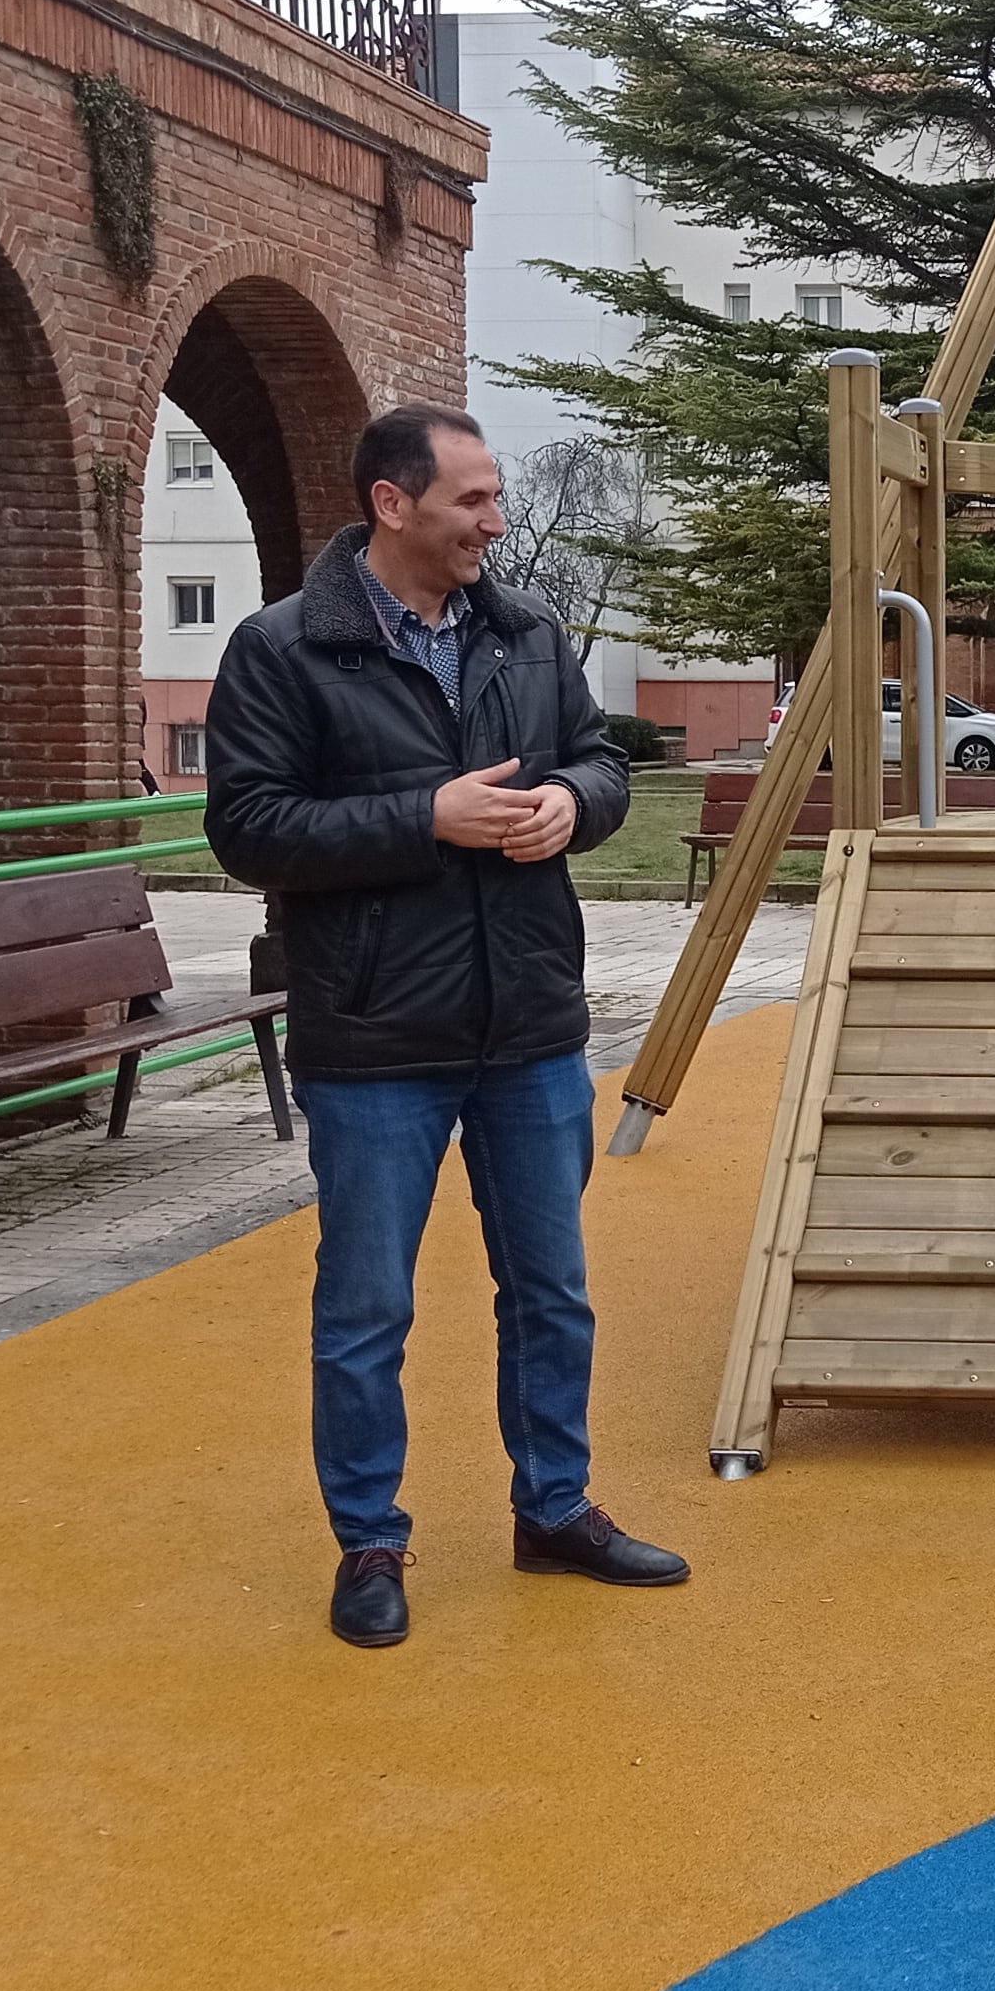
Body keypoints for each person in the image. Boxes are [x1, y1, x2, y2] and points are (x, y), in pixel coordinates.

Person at [204, 402, 685, 1648]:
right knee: (366, 1306)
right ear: (391, 502)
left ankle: (556, 1508)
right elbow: (248, 829)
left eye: (494, 496)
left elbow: (601, 761)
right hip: (374, 1040)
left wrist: (572, 806)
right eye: (472, 499)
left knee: (551, 1290)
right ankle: (369, 1539)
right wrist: (427, 815)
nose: (495, 519)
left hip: (526, 1024)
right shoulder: (280, 650)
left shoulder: (525, 633)